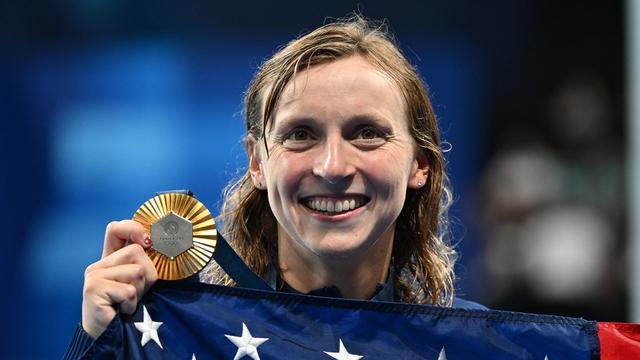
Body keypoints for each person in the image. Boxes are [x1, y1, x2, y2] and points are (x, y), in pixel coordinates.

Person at [66, 15, 484, 359]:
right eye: (301, 134)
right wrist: (99, 341)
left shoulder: (475, 347)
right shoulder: (176, 337)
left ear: (420, 165)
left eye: (367, 133)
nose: (333, 166)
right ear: (257, 163)